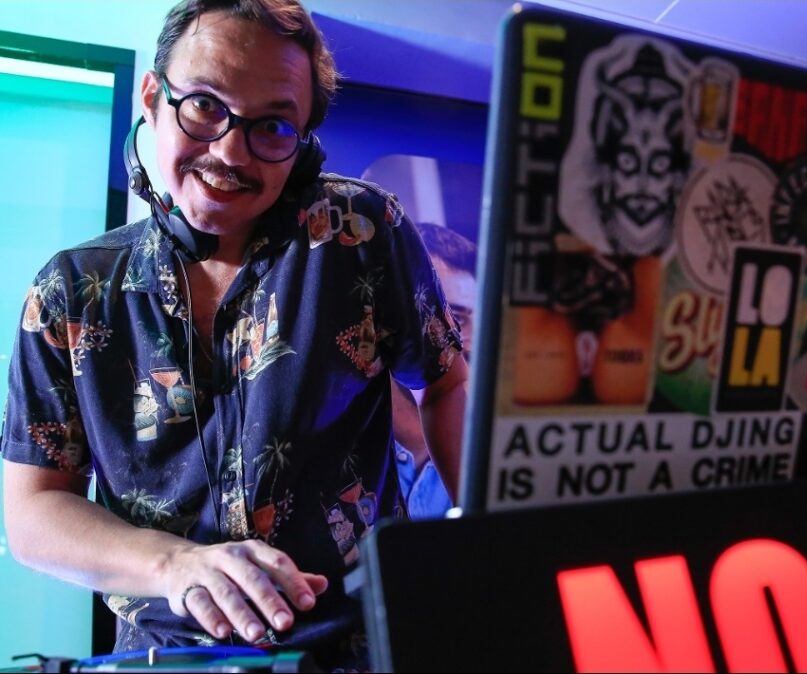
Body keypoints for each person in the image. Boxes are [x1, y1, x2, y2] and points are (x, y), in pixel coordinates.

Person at [0, 1, 467, 671]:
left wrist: (484, 540)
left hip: (359, 648)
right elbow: (35, 512)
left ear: (303, 143)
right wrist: (174, 564)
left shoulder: (363, 231)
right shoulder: (69, 291)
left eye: (272, 126)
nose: (228, 152)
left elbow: (447, 381)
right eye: (205, 106)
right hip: (163, 656)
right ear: (153, 98)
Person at [391, 222, 476, 519]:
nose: (471, 339)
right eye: (453, 319)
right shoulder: (337, 450)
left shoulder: (482, 456)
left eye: (480, 321)